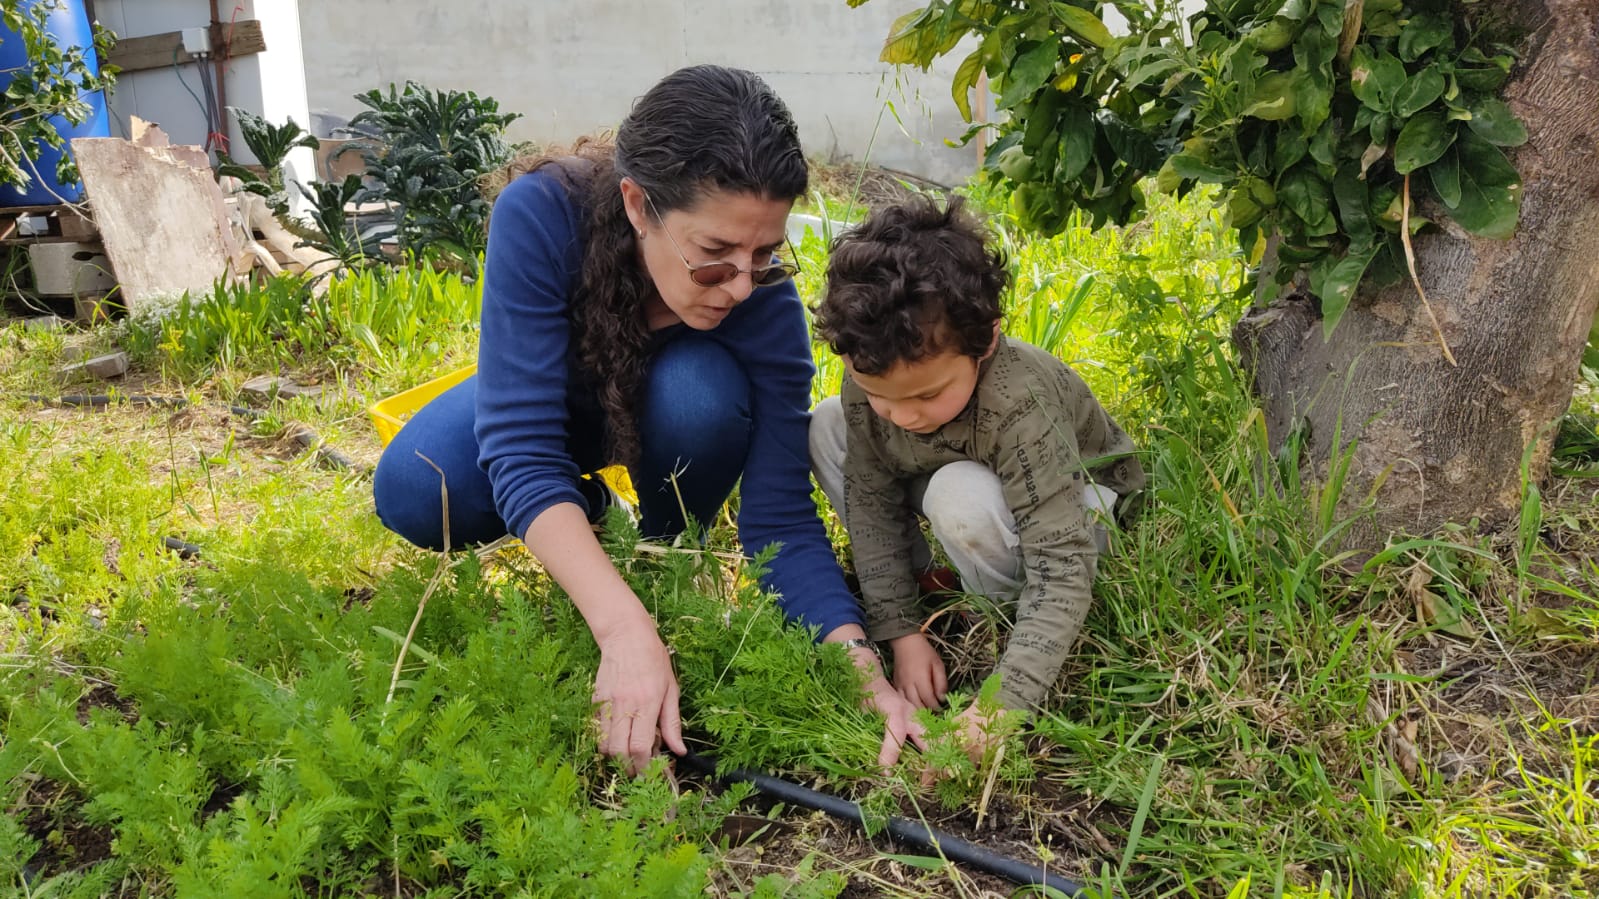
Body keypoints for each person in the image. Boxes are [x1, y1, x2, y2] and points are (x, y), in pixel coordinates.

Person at [371, 65, 924, 775]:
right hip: (550, 404)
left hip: (670, 417)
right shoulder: (540, 214)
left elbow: (780, 517)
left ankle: (664, 557)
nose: (739, 284)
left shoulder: (762, 306)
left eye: (763, 255)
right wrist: (623, 630)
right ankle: (591, 516)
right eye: (713, 256)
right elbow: (521, 445)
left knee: (698, 391)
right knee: (420, 487)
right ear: (638, 205)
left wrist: (861, 670)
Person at [810, 195, 1146, 756]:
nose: (903, 415)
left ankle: (1000, 625)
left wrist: (1004, 704)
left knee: (959, 498)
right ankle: (935, 586)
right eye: (879, 395)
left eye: (927, 394)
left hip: (1081, 507)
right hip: (959, 470)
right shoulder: (872, 384)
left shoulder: (1019, 405)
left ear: (985, 339)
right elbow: (870, 502)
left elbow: (1063, 565)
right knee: (825, 424)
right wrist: (902, 633)